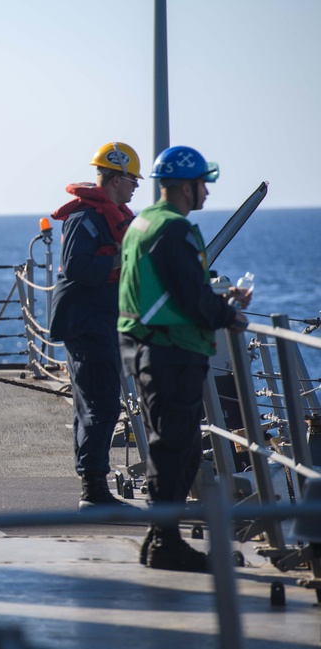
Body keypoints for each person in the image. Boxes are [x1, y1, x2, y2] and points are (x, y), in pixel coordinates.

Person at [118, 146, 251, 571]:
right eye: (202, 186)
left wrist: (219, 299)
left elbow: (164, 288)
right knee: (175, 449)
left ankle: (161, 538)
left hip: (145, 345)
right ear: (185, 187)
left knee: (176, 446)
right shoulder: (175, 230)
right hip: (170, 351)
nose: (207, 194)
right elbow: (192, 297)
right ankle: (165, 544)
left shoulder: (142, 223)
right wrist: (230, 315)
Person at [50, 142, 142, 510]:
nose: (136, 186)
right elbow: (76, 267)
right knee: (100, 404)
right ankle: (94, 491)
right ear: (117, 179)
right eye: (132, 179)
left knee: (95, 402)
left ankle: (94, 485)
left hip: (103, 320)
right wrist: (123, 258)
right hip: (86, 322)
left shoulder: (113, 216)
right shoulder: (85, 219)